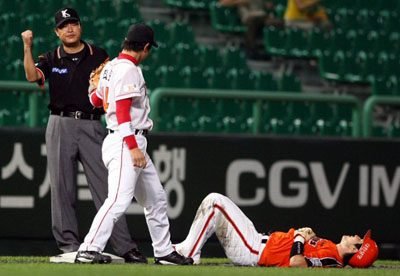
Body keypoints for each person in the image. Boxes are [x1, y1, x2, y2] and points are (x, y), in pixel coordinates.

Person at [21, 7, 146, 263]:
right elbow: (32, 76)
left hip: (92, 124)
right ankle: (69, 244)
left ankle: (124, 246)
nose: (69, 28)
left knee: (109, 189)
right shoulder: (50, 58)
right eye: (64, 25)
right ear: (57, 32)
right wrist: (27, 46)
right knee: (62, 188)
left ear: (81, 27)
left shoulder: (99, 55)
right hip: (60, 124)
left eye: (73, 23)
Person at [74, 23, 194, 265]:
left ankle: (163, 252)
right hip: (125, 140)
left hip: (124, 138)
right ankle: (88, 248)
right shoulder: (128, 69)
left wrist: (91, 87)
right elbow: (122, 111)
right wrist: (133, 146)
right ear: (146, 47)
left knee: (156, 199)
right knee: (118, 199)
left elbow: (96, 100)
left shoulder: (110, 67)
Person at [174, 193, 379, 268]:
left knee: (215, 202)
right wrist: (307, 238)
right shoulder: (330, 249)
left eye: (360, 240)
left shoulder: (332, 259)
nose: (357, 236)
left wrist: (299, 237)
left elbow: (297, 263)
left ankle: (189, 253)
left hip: (254, 251)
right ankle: (180, 249)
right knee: (216, 203)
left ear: (355, 250)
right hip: (258, 241)